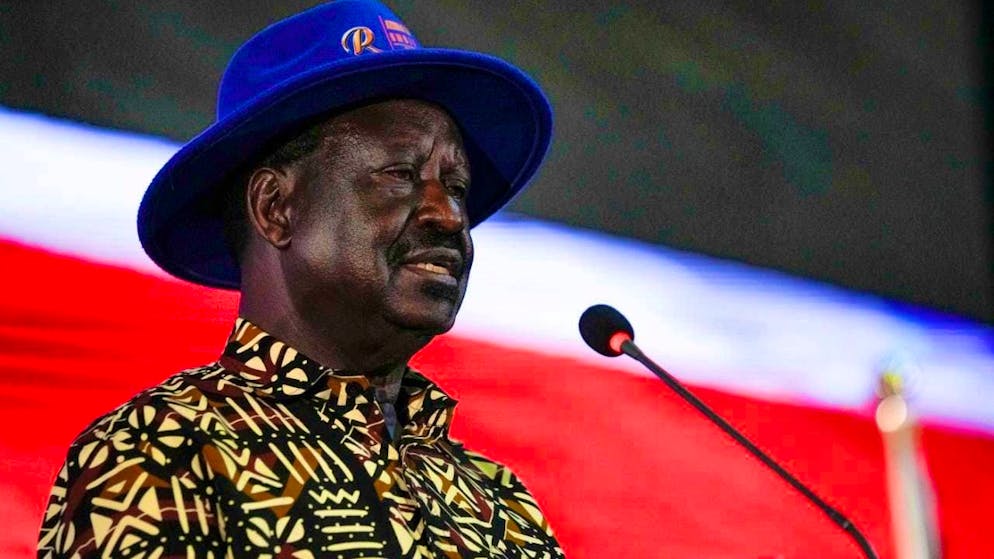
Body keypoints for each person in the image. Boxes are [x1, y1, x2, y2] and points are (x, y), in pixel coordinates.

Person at [37, 1, 562, 557]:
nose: (450, 215)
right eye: (401, 174)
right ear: (276, 207)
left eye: (455, 187)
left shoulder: (504, 508)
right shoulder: (161, 451)